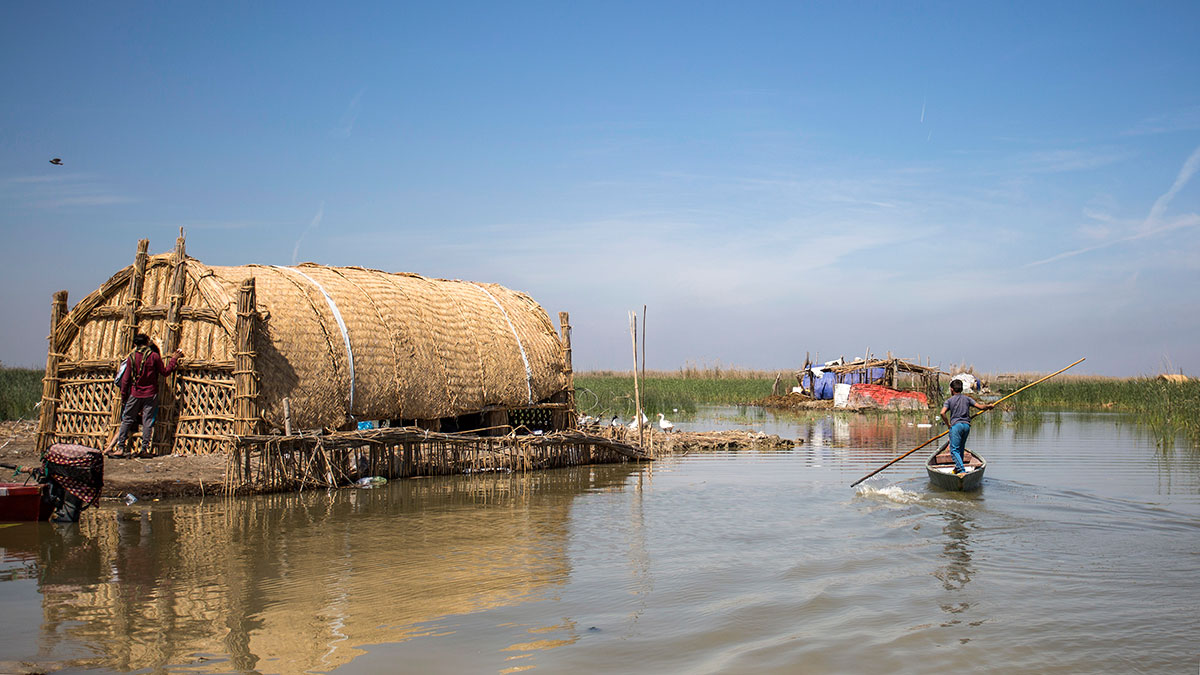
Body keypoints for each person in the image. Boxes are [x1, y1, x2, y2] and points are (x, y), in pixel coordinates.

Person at [107, 334, 184, 458]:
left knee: (127, 420)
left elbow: (126, 379)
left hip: (135, 393)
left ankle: (120, 448)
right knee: (147, 421)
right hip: (150, 394)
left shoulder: (131, 358)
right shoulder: (154, 356)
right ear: (147, 342)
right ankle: (144, 449)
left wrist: (124, 397)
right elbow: (165, 372)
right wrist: (173, 360)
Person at [939, 378, 995, 475]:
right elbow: (980, 407)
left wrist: (948, 424)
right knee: (960, 448)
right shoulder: (967, 399)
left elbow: (942, 413)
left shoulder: (949, 401)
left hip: (956, 426)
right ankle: (957, 467)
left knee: (954, 450)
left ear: (951, 389)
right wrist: (988, 406)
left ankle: (961, 470)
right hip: (966, 426)